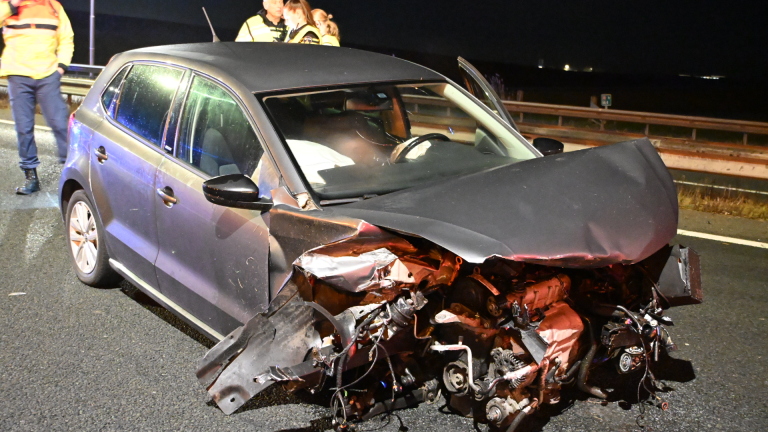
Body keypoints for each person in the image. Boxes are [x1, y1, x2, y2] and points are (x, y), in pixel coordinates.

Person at [0, 0, 74, 195]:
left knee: (60, 123)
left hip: (48, 75)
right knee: (24, 128)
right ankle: (31, 177)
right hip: (18, 76)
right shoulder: (7, 4)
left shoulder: (53, 6)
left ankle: (74, 170)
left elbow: (66, 38)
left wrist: (61, 67)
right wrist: (11, 5)